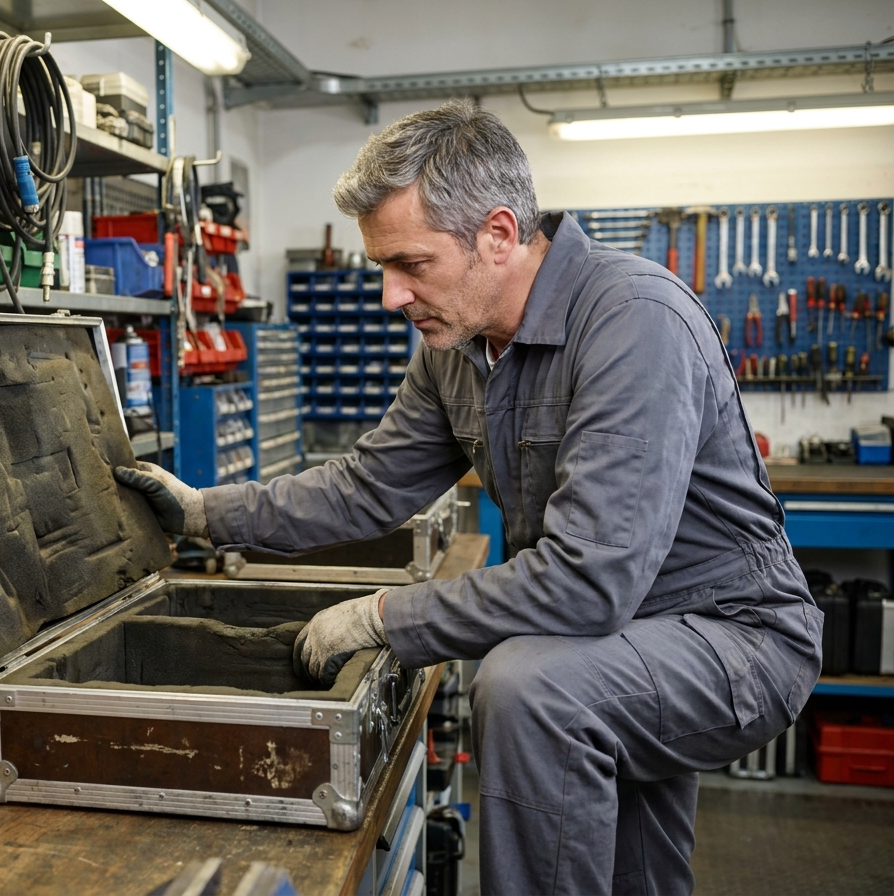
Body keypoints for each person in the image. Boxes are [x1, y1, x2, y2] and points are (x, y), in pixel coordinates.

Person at [115, 99, 822, 896]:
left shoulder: (634, 321)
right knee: (632, 866)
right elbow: (368, 486)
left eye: (411, 264)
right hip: (621, 638)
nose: (390, 296)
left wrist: (383, 616)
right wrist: (209, 513)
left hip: (733, 640)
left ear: (497, 234)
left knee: (531, 689)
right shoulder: (458, 345)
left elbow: (588, 581)